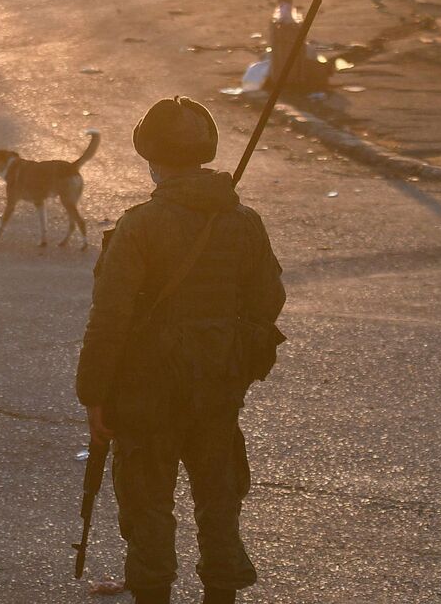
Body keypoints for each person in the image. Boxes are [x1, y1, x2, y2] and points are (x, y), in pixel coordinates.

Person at [77, 96, 286, 604]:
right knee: (219, 499)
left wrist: (93, 394)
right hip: (218, 386)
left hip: (148, 389)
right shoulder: (243, 221)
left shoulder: (140, 226)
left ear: (151, 156)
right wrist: (231, 355)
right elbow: (267, 301)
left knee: (147, 503)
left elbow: (110, 319)